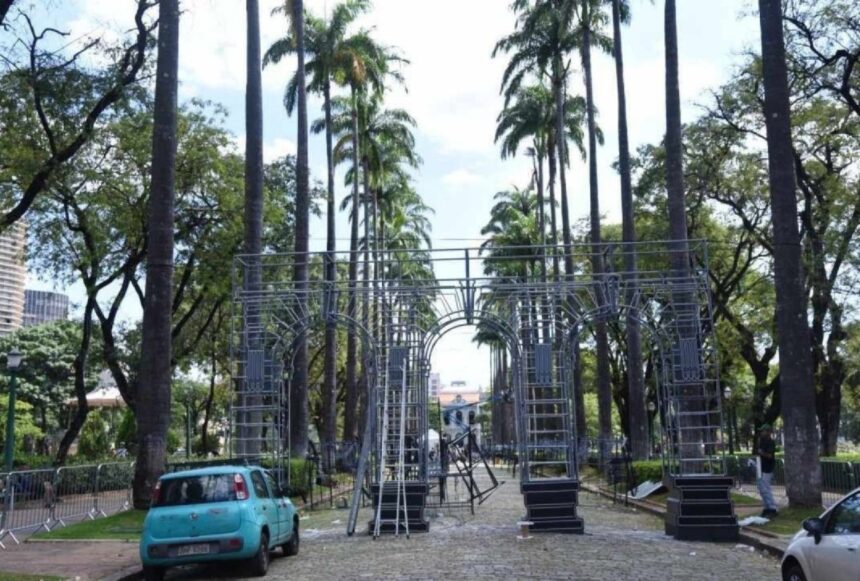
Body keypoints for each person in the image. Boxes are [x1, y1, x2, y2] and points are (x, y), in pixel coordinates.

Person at [757, 424, 778, 517]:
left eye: (763, 431)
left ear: (768, 432)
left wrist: (762, 453)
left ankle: (772, 508)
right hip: (761, 468)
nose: (761, 432)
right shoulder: (761, 441)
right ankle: (766, 507)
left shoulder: (770, 442)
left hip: (767, 468)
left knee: (766, 488)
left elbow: (770, 456)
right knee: (762, 488)